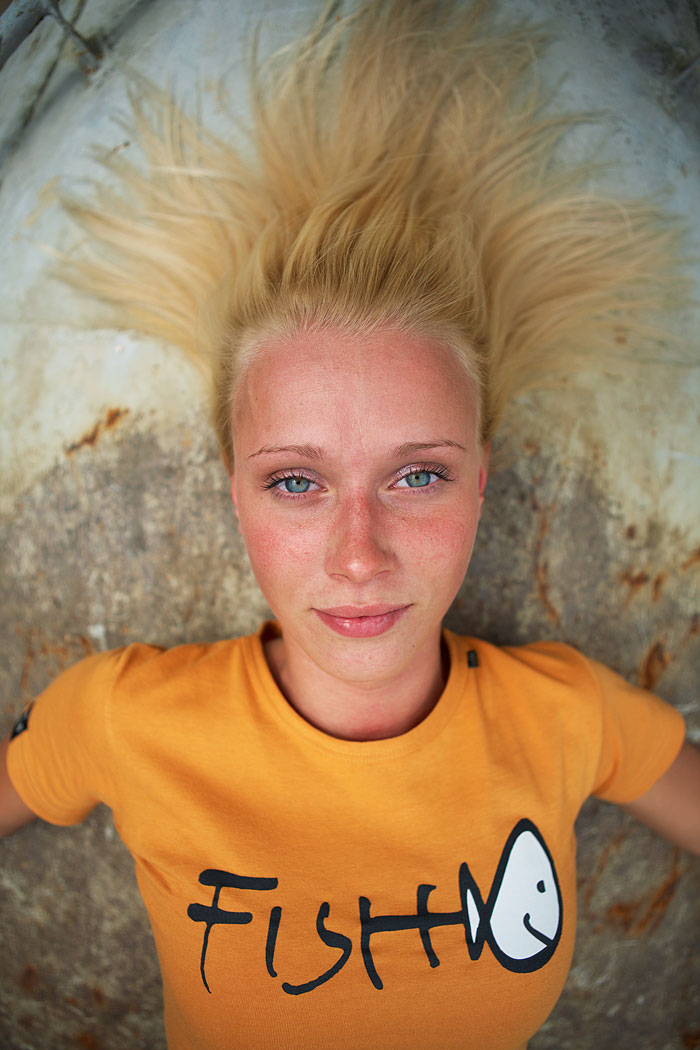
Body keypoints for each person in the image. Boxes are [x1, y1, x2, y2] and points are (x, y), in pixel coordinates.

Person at [1, 2, 699, 1048]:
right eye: (296, 483)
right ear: (233, 490)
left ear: (481, 483)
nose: (360, 554)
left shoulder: (565, 716)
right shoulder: (123, 720)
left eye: (417, 476)